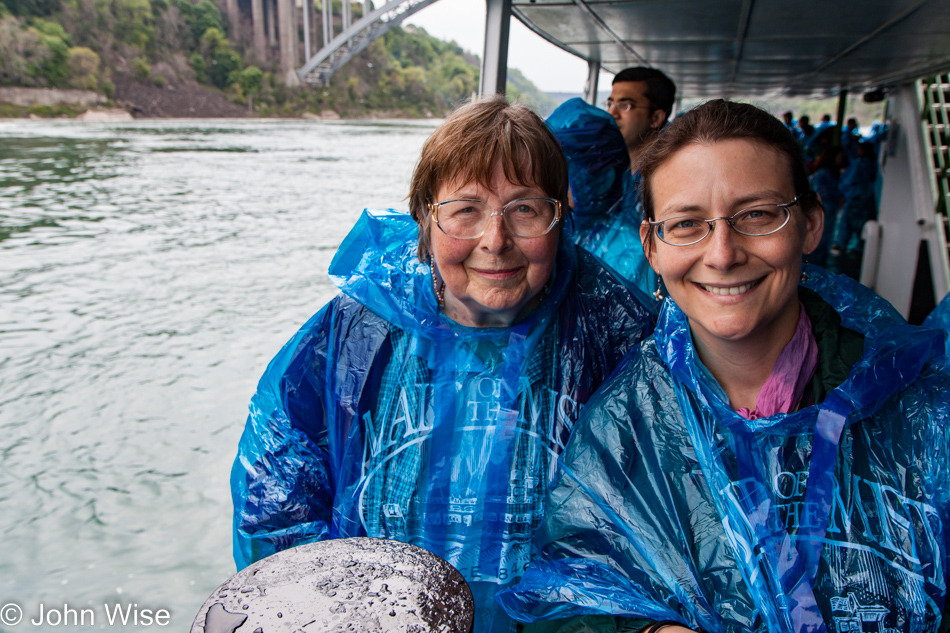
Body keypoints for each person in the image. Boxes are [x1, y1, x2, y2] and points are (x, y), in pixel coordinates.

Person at [497, 100, 950, 633]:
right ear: (652, 247)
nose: (722, 253)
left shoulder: (917, 409)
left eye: (757, 215)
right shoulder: (623, 426)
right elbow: (565, 598)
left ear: (809, 225)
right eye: (687, 224)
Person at [230, 96, 656, 633]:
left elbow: (656, 528)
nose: (495, 240)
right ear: (424, 224)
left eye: (525, 209)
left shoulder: (615, 333)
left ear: (561, 217)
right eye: (464, 210)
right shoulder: (360, 329)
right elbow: (275, 491)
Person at [545, 67, 676, 294]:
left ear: (656, 118)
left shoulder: (667, 184)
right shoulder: (576, 219)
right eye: (610, 104)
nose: (613, 113)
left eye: (625, 105)